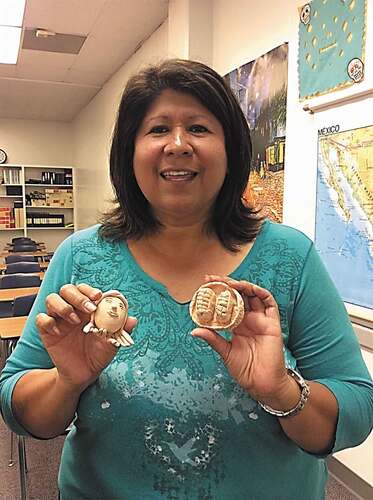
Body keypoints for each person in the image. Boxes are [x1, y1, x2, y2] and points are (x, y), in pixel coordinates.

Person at [1, 59, 372, 500]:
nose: (178, 145)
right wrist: (68, 382)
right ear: (129, 152)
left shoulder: (290, 257)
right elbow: (18, 404)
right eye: (158, 129)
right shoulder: (81, 257)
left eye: (198, 128)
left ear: (231, 148)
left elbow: (356, 406)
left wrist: (280, 389)